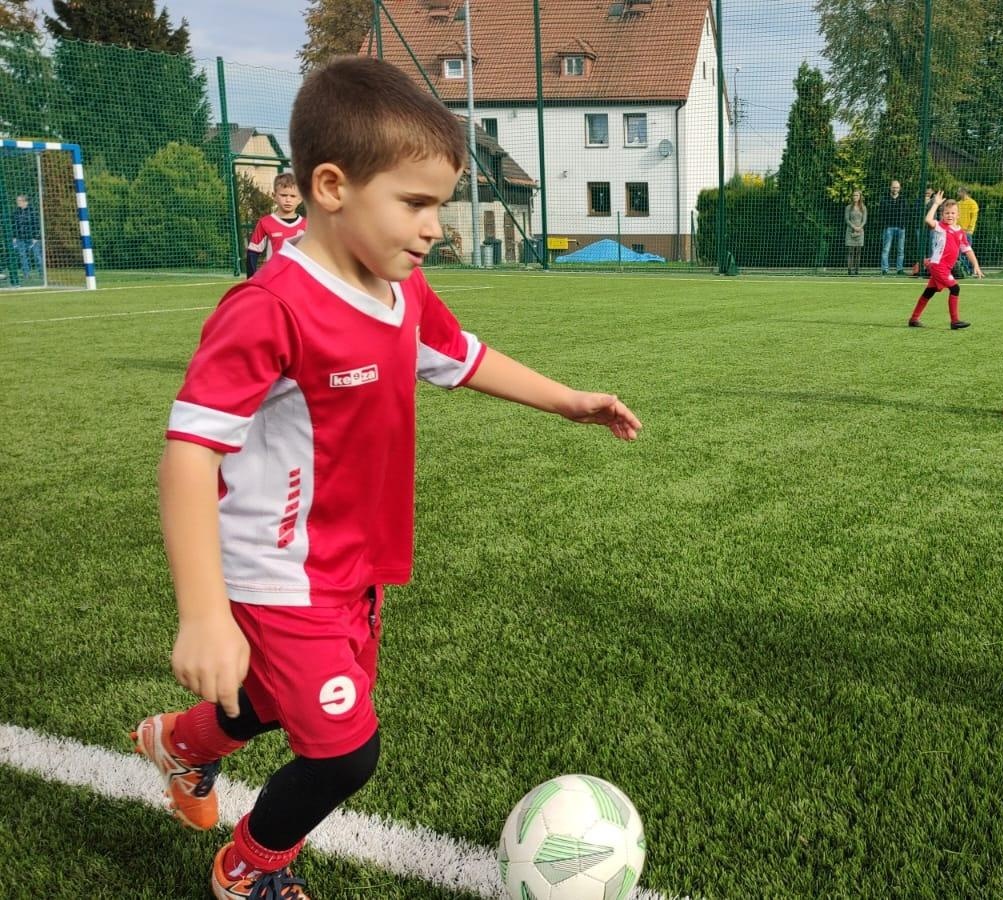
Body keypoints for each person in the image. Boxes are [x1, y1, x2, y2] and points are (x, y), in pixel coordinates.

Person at [129, 57, 641, 898]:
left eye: (438, 203)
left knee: (264, 699)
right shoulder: (272, 307)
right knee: (343, 750)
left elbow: (462, 355)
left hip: (354, 568)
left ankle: (178, 747)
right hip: (277, 575)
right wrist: (204, 613)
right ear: (331, 186)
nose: (435, 225)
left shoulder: (402, 292)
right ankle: (248, 870)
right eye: (415, 203)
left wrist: (568, 403)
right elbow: (188, 454)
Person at [907, 190, 982, 329]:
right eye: (947, 213)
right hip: (938, 266)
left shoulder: (960, 232)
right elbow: (928, 220)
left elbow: (967, 249)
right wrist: (935, 204)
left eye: (953, 213)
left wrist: (976, 265)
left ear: (958, 215)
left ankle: (913, 319)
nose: (950, 215)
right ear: (942, 215)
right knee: (955, 288)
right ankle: (955, 321)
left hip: (944, 267)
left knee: (928, 292)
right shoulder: (940, 227)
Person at [245, 172, 307, 277]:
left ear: (300, 199)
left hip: (299, 280)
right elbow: (253, 252)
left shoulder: (306, 225)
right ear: (274, 196)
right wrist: (251, 279)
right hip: (273, 278)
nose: (288, 199)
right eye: (283, 195)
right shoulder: (265, 223)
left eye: (292, 196)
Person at [11, 194, 42, 284]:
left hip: (32, 238)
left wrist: (36, 237)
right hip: (20, 238)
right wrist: (14, 237)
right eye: (17, 201)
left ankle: (42, 274)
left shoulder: (33, 212)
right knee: (22, 256)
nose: (17, 202)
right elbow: (14, 225)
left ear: (25, 202)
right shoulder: (16, 212)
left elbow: (37, 225)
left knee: (37, 256)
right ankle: (26, 274)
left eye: (19, 201)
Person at [880, 180, 909, 275]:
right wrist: (885, 224)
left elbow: (906, 214)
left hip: (901, 228)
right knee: (886, 249)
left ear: (899, 188)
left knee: (901, 249)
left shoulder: (903, 200)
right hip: (888, 228)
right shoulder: (885, 199)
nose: (895, 189)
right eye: (893, 187)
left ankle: (899, 269)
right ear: (890, 187)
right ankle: (884, 269)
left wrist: (903, 225)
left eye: (897, 187)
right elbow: (881, 214)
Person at [955, 187, 979, 277]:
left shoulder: (972, 203)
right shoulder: (958, 204)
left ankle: (971, 270)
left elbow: (974, 217)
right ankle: (964, 270)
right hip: (958, 231)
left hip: (967, 231)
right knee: (958, 252)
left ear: (964, 192)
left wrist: (970, 229)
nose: (958, 193)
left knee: (967, 251)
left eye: (959, 192)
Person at [844, 189, 867, 275]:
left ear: (860, 197)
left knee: (858, 251)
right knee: (850, 251)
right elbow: (847, 219)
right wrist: (853, 226)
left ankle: (857, 270)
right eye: (854, 195)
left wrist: (859, 227)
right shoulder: (848, 207)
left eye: (857, 195)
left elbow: (864, 220)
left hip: (860, 231)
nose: (855, 197)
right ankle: (849, 270)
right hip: (850, 231)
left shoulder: (863, 208)